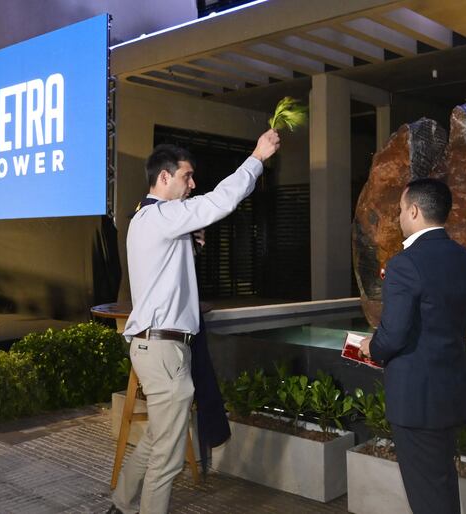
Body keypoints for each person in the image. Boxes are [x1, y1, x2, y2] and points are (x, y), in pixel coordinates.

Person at [109, 129, 280, 514]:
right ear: (164, 178)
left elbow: (167, 277)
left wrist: (190, 247)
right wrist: (257, 156)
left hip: (156, 348)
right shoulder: (161, 214)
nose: (193, 184)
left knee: (156, 437)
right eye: (187, 176)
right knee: (167, 460)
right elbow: (220, 201)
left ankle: (120, 505)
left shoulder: (145, 218)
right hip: (165, 351)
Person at [359, 178, 466, 514]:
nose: (398, 217)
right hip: (451, 390)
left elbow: (394, 334)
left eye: (400, 210)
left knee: (427, 495)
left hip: (417, 398)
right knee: (441, 483)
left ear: (414, 210)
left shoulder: (405, 263)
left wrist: (373, 347)